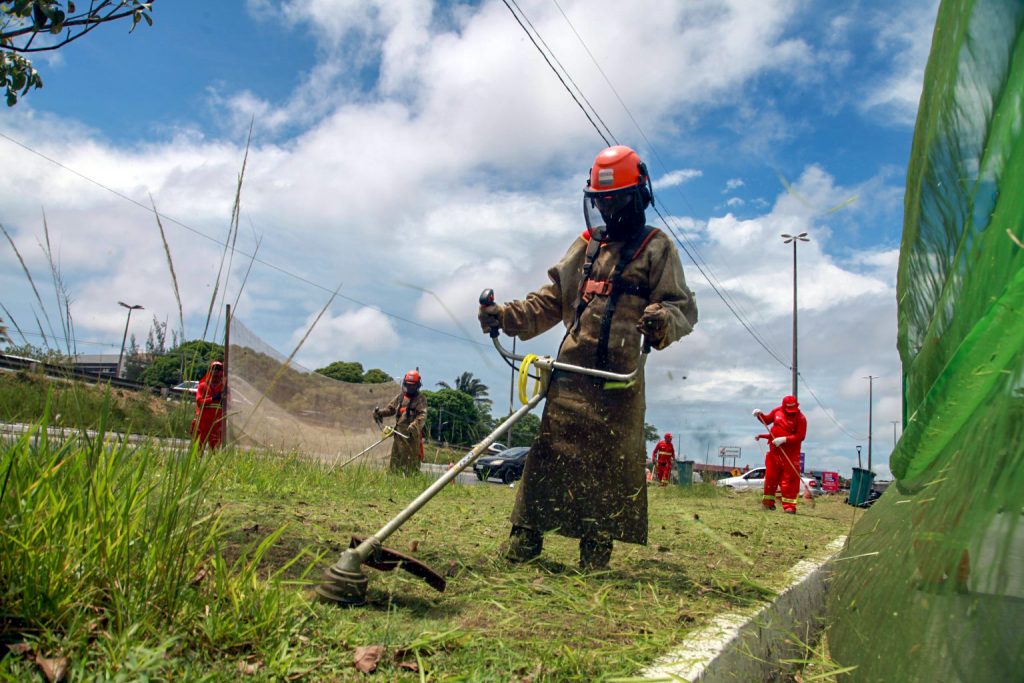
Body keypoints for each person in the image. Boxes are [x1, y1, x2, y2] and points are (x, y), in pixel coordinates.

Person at [479, 145, 698, 569]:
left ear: (638, 197)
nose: (609, 211)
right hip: (571, 377)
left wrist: (660, 320)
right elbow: (548, 302)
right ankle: (525, 542)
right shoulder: (586, 246)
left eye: (616, 201)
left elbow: (683, 308)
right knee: (547, 456)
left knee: (610, 468)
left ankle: (595, 554)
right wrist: (503, 317)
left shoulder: (658, 248)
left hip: (620, 381)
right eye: (602, 202)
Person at [753, 395, 807, 513]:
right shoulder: (777, 411)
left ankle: (789, 506)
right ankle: (768, 503)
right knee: (771, 477)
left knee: (789, 480)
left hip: (791, 455)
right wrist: (760, 415)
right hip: (774, 453)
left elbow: (800, 436)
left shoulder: (801, 418)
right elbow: (766, 421)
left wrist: (785, 439)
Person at [374, 370, 427, 474]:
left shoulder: (421, 399)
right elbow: (390, 409)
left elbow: (422, 416)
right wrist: (380, 413)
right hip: (398, 435)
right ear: (405, 383)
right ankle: (393, 478)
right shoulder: (401, 397)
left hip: (411, 437)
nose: (410, 387)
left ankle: (411, 480)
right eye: (408, 385)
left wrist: (414, 425)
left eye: (413, 385)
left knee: (410, 464)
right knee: (395, 462)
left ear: (418, 385)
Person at [191, 360, 225, 451]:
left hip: (217, 423)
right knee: (198, 449)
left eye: (219, 369)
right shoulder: (203, 385)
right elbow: (199, 401)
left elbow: (229, 405)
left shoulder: (224, 388)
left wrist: (224, 400)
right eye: (214, 369)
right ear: (210, 371)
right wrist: (213, 399)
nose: (216, 372)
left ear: (222, 372)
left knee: (215, 450)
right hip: (202, 422)